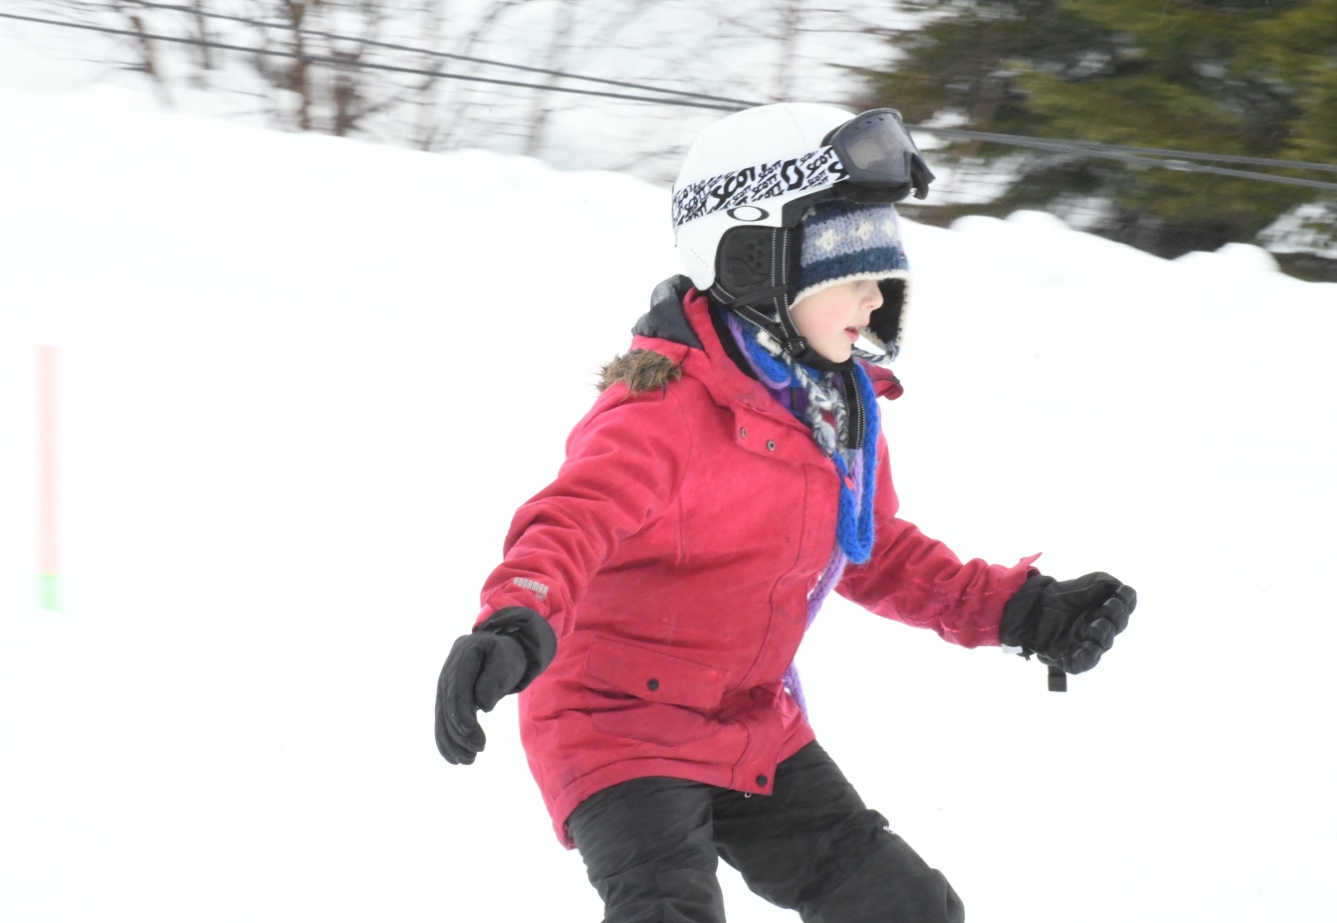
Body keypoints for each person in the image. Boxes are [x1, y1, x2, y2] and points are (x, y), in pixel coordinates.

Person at [434, 103, 1136, 923]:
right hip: (617, 724)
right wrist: (514, 619)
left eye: (882, 267)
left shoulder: (835, 410)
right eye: (847, 268)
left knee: (905, 907)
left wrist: (1018, 608)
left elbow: (869, 551)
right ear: (755, 260)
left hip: (748, 719)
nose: (874, 296)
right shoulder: (661, 406)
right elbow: (570, 520)